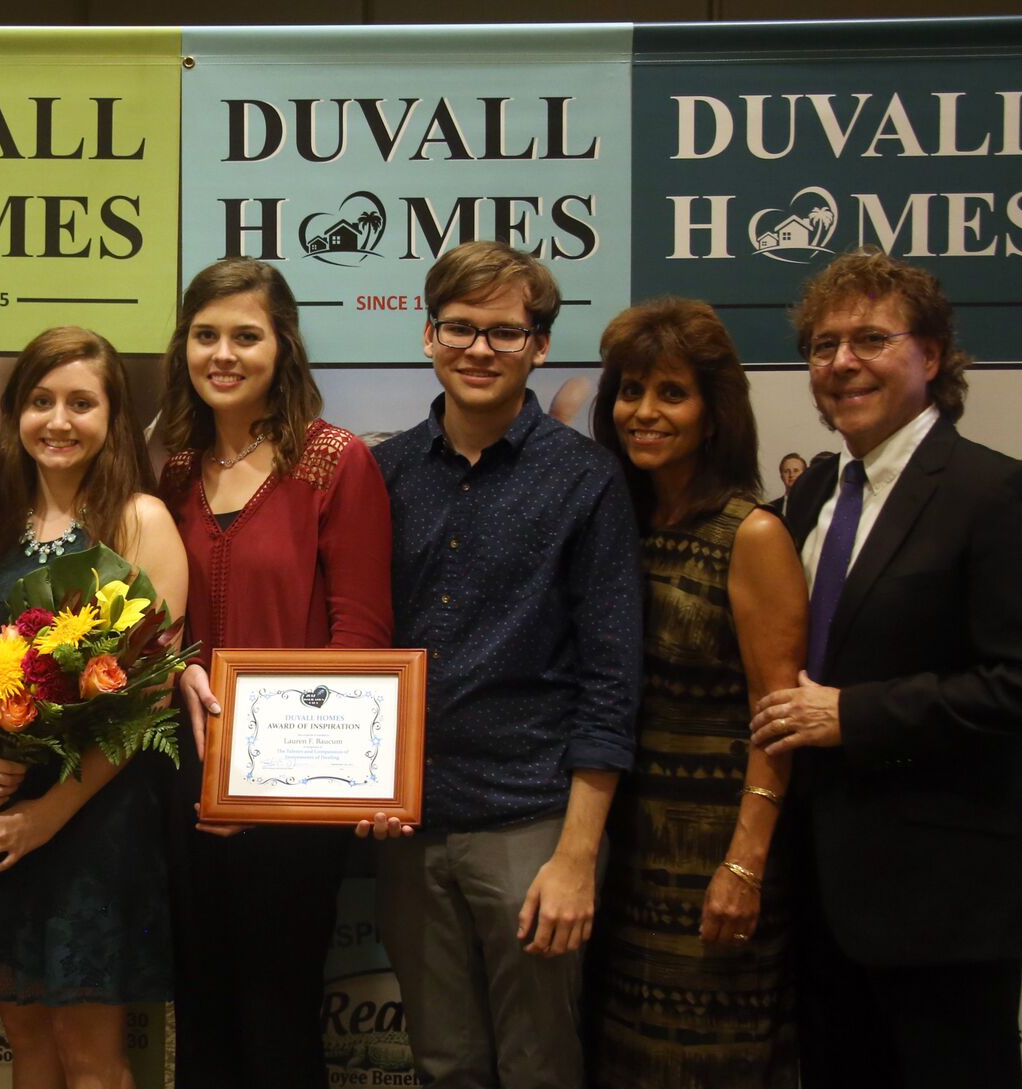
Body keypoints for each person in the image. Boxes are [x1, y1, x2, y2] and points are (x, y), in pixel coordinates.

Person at [750, 248, 1022, 1089]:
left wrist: (852, 715)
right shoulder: (813, 496)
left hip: (945, 902)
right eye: (823, 346)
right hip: (823, 897)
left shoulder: (996, 491)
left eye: (870, 339)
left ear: (931, 356)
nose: (842, 362)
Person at [364, 240, 642, 1089]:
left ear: (540, 346)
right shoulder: (382, 473)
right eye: (460, 327)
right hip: (409, 827)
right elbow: (359, 649)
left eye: (505, 332)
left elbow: (612, 676)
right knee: (443, 1065)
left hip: (531, 823)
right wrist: (361, 777)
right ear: (427, 336)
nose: (479, 348)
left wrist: (576, 854)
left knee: (538, 1068)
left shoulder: (586, 479)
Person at [157, 257, 394, 1089]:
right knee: (203, 1007)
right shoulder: (177, 468)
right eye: (205, 334)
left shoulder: (335, 461)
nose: (223, 353)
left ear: (283, 345)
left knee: (277, 1014)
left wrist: (257, 781)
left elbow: (360, 638)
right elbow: (159, 620)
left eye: (246, 336)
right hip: (184, 778)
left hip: (297, 786)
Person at [0, 326, 185, 1087]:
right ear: (16, 411)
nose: (59, 420)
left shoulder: (140, 521)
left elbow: (151, 691)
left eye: (82, 403)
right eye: (41, 401)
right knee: (30, 1049)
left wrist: (48, 817)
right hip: (1, 816)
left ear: (113, 418)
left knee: (91, 1059)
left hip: (95, 822)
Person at [584, 298, 807, 1087]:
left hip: (715, 851)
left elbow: (778, 717)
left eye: (670, 393)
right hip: (628, 849)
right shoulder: (620, 519)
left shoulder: (752, 533)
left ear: (715, 413)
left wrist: (743, 864)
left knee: (713, 1062)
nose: (643, 412)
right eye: (631, 390)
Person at [763, 453, 806, 518]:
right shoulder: (771, 508)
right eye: (786, 471)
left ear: (805, 474)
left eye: (796, 471)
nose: (791, 475)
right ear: (782, 477)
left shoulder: (814, 506)